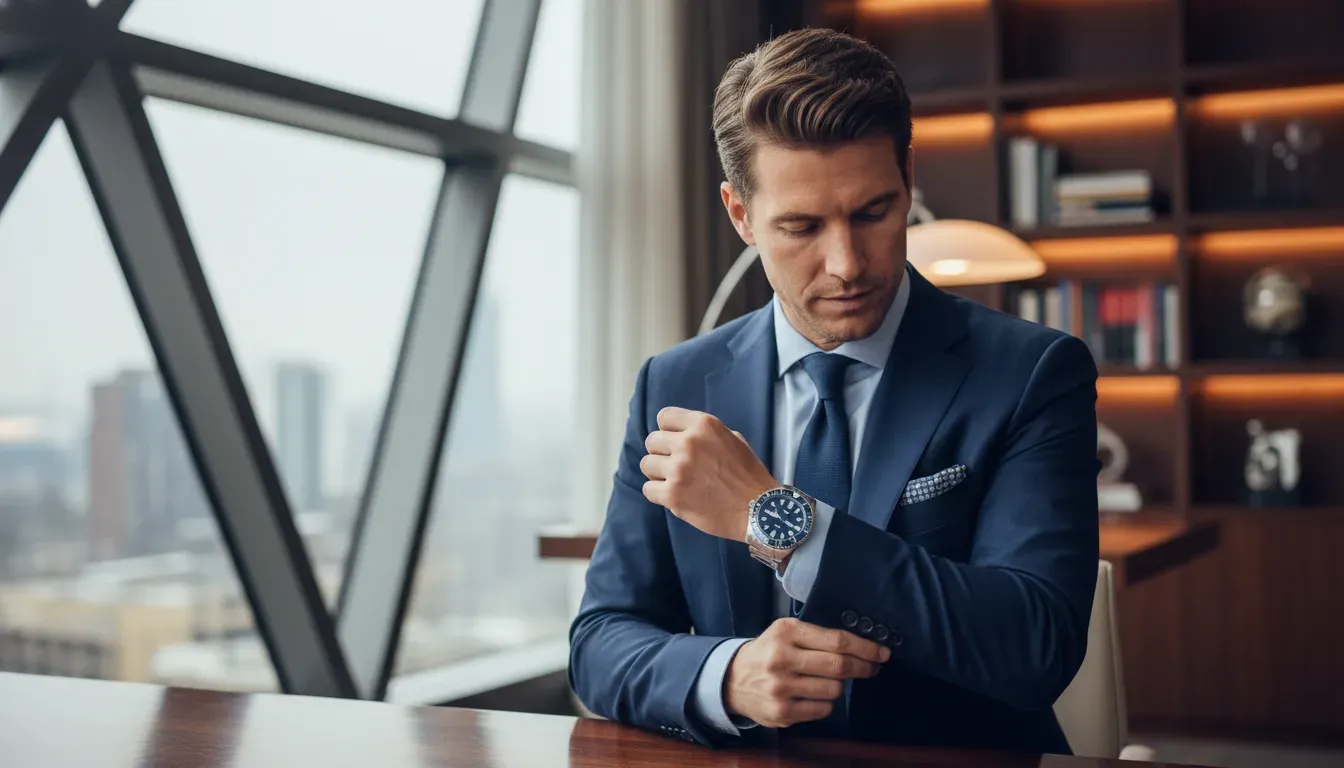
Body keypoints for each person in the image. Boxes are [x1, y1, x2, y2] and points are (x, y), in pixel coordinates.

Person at [568, 27, 1100, 754]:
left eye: (873, 213)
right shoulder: (677, 383)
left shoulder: (1032, 372)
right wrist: (727, 677)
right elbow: (600, 641)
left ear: (908, 178)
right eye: (801, 226)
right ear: (740, 216)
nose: (846, 263)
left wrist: (773, 518)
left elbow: (1035, 644)